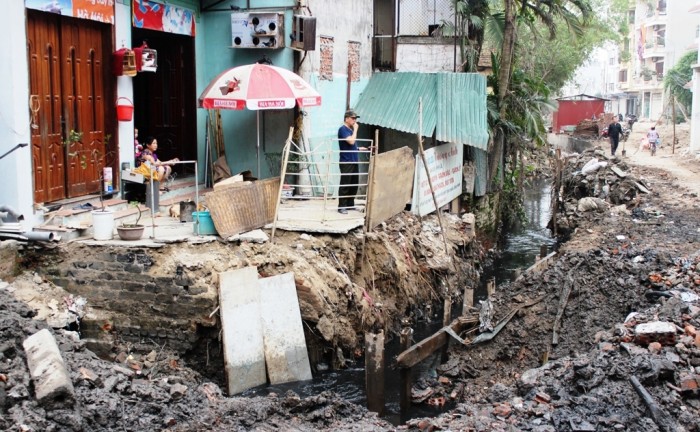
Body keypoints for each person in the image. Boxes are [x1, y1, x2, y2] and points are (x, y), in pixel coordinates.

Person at [337, 110, 370, 214]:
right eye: (353, 118)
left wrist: (360, 148)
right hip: (346, 161)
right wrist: (355, 129)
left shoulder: (350, 130)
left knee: (354, 183)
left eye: (355, 118)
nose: (355, 120)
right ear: (346, 118)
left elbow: (352, 145)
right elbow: (351, 141)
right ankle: (341, 206)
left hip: (354, 160)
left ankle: (350, 204)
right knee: (345, 183)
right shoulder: (343, 129)